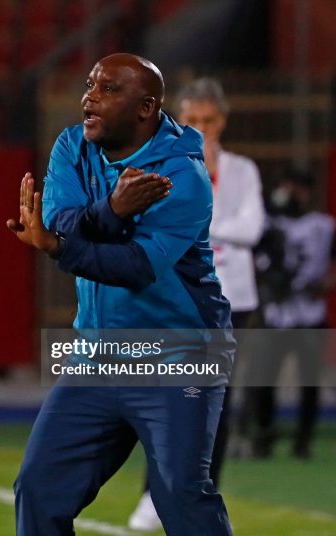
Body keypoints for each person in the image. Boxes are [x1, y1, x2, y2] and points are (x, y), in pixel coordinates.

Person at [7, 53, 233, 535]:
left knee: (180, 494)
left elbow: (136, 267)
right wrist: (110, 210)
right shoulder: (72, 147)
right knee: (38, 489)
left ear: (145, 108)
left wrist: (60, 246)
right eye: (90, 85)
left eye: (109, 89)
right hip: (98, 353)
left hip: (179, 354)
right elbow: (63, 223)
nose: (89, 97)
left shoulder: (183, 176)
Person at [127, 77, 265, 531]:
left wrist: (204, 227)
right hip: (179, 296)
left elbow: (253, 228)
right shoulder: (161, 168)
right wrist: (216, 230)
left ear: (222, 120)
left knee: (217, 401)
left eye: (209, 120)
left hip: (232, 300)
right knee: (167, 393)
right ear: (178, 120)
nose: (202, 129)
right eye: (193, 120)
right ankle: (154, 490)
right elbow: (158, 230)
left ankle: (204, 489)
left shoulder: (243, 170)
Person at [246, 169, 335, 459]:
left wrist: (323, 285)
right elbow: (254, 261)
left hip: (309, 312)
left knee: (310, 380)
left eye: (298, 187)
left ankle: (303, 440)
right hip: (277, 314)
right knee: (264, 377)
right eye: (287, 186)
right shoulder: (268, 224)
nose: (292, 193)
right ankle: (264, 435)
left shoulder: (323, 226)